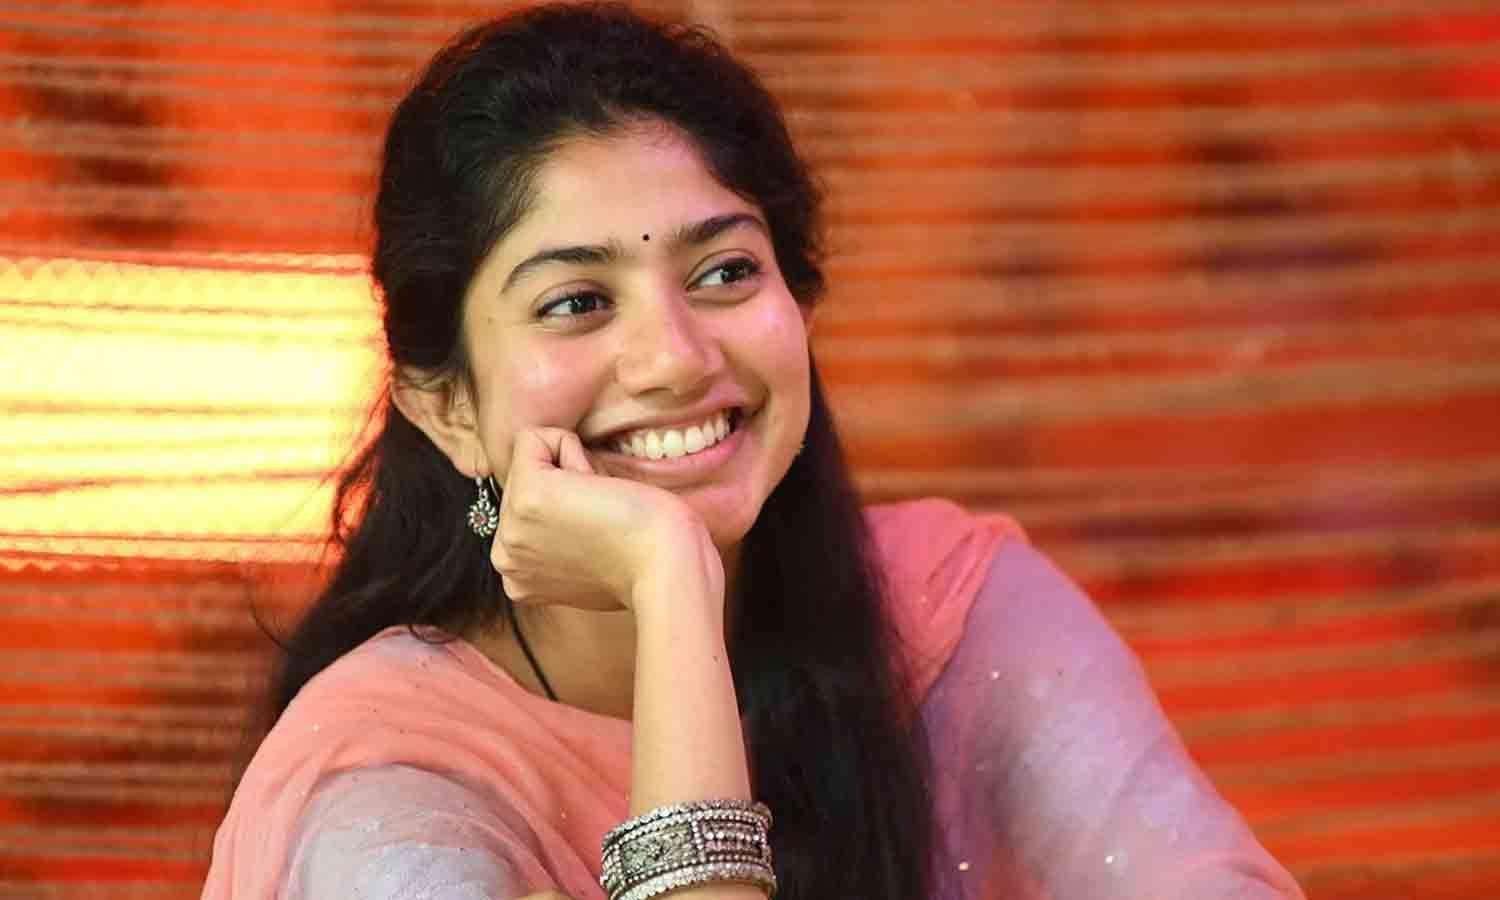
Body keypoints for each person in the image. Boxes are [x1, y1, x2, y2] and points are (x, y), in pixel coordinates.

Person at [202, 4, 1307, 899]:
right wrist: (670, 582)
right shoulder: (390, 790)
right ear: (445, 407)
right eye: (578, 301)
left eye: (725, 273)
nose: (676, 358)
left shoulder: (952, 615)